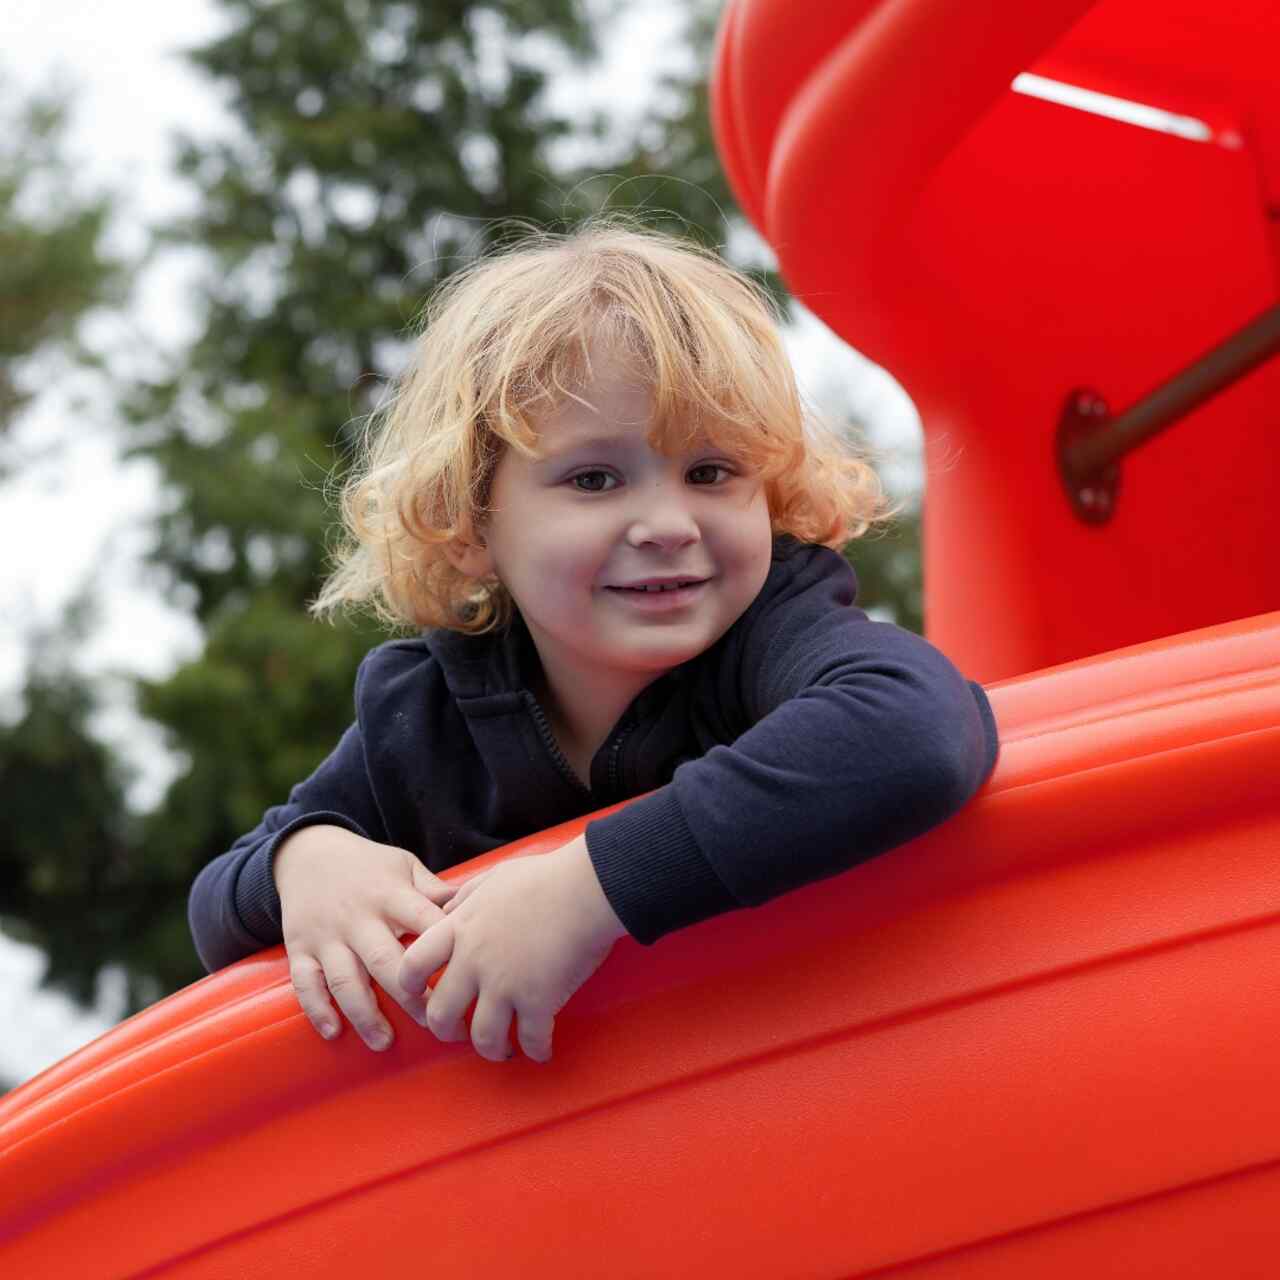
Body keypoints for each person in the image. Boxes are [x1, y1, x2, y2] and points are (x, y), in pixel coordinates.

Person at [187, 218, 999, 1066]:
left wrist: (589, 888)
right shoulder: (426, 713)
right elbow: (218, 903)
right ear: (471, 526)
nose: (666, 523)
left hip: (819, 1083)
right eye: (595, 479)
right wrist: (307, 862)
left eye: (712, 472)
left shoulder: (772, 636)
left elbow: (917, 730)